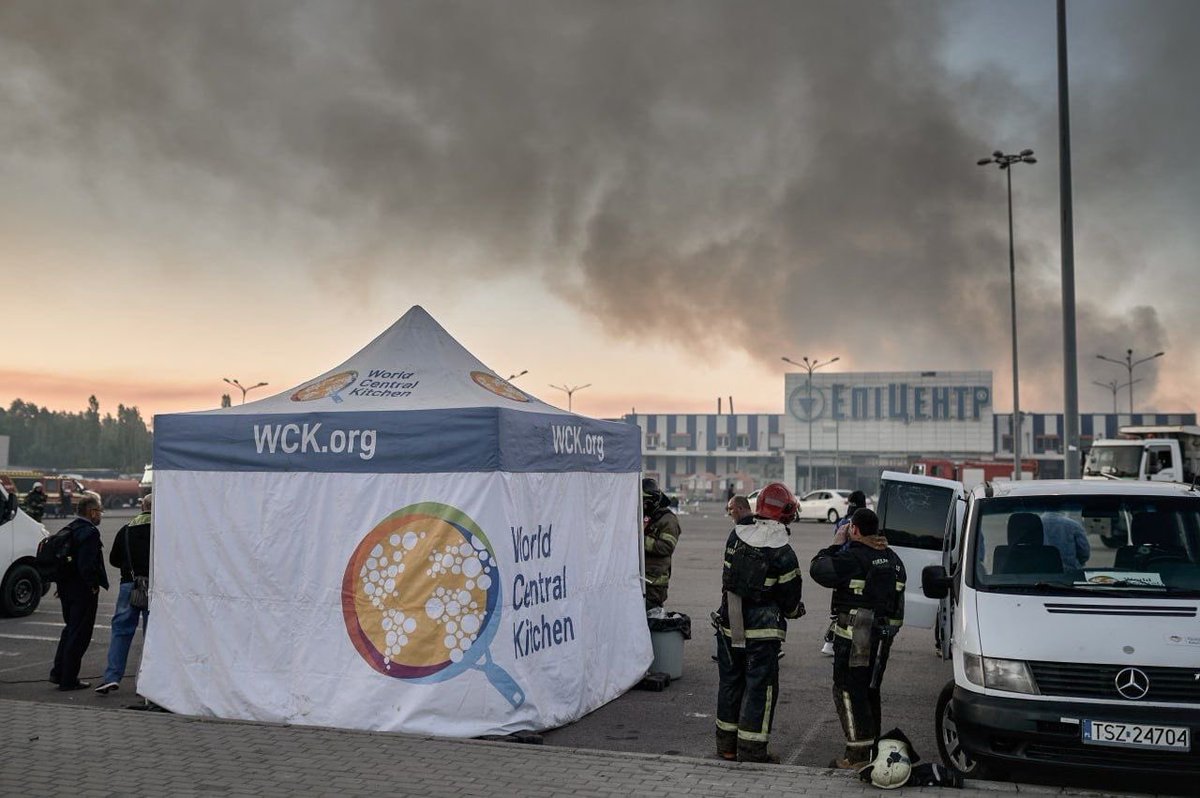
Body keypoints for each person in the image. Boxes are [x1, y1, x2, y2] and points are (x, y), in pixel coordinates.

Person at [714, 482, 805, 763]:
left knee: (730, 683)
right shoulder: (784, 552)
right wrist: (792, 611)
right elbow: (790, 599)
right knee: (759, 688)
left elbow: (727, 579)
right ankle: (752, 751)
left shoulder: (735, 536)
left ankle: (727, 747)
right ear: (785, 513)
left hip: (730, 623)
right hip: (762, 632)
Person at [810, 508, 906, 769]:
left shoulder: (852, 556)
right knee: (869, 690)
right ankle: (872, 748)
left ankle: (857, 756)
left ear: (854, 529)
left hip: (854, 637)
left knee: (848, 690)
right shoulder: (893, 559)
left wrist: (834, 545)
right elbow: (898, 605)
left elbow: (818, 570)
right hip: (881, 639)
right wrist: (888, 634)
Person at [49, 493, 109, 691]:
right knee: (79, 635)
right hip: (82, 591)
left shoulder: (70, 528)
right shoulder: (89, 533)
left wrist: (61, 585)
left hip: (66, 589)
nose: (100, 515)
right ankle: (69, 680)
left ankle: (58, 673)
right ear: (92, 512)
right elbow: (86, 564)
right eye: (99, 511)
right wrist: (93, 585)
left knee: (69, 631)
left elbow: (64, 562)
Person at [96, 493, 152, 694]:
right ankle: (147, 681)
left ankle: (112, 677)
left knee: (121, 631)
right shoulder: (163, 529)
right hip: (154, 588)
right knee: (151, 635)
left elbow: (113, 559)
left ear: (141, 507)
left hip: (129, 585)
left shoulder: (126, 530)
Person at [821, 491, 869, 655]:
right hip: (857, 569)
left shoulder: (842, 521)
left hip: (840, 568)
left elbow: (838, 539)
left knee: (838, 609)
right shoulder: (865, 520)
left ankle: (831, 642)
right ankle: (835, 642)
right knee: (858, 610)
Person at [642, 478, 681, 613]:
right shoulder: (647, 516)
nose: (642, 506)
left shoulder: (668, 520)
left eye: (644, 503)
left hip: (654, 582)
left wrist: (639, 539)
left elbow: (666, 546)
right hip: (640, 578)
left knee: (650, 616)